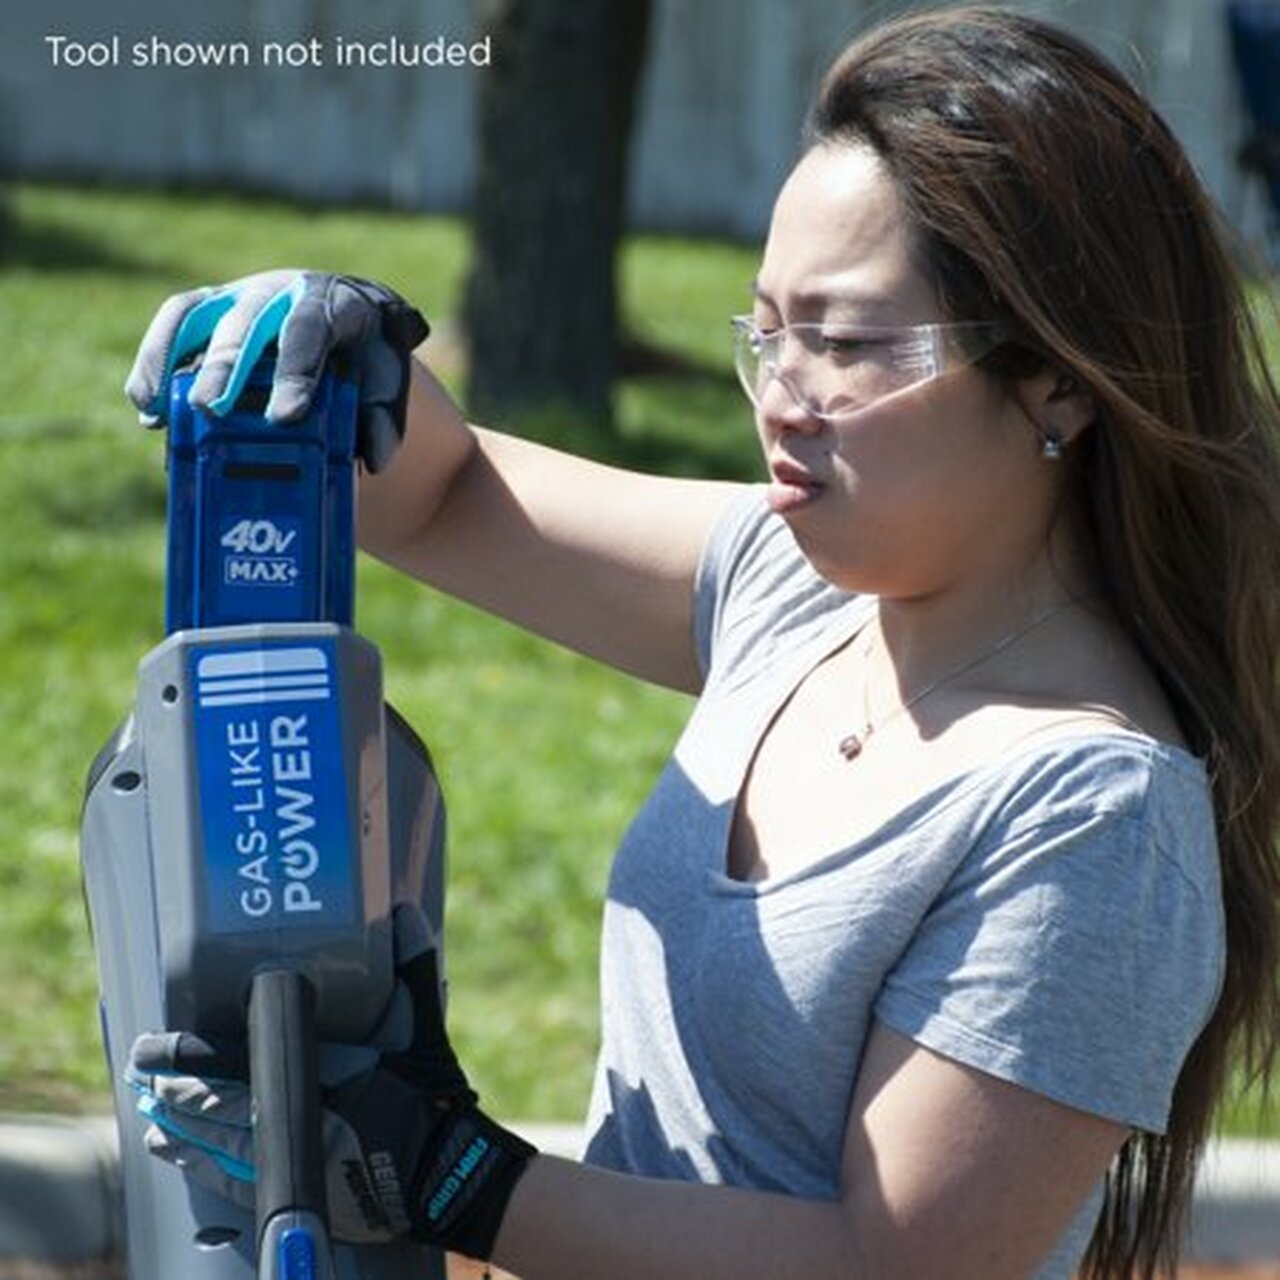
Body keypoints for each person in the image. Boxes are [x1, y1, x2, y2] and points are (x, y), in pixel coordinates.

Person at [122, 6, 1280, 1278]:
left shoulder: (1098, 815)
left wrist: (455, 1176)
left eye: (844, 344)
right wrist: (344, 365)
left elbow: (887, 1264)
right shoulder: (797, 588)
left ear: (1056, 376)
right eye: (765, 332)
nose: (780, 398)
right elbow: (439, 497)